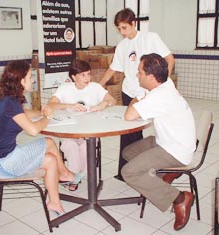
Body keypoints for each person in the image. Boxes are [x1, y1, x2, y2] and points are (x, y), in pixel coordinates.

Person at [0, 60, 82, 216]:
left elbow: (22, 114)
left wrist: (39, 113)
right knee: (49, 142)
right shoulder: (10, 102)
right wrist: (47, 117)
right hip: (2, 164)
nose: (32, 80)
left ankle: (54, 202)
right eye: (30, 77)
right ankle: (65, 175)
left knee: (50, 160)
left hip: (4, 157)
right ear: (21, 81)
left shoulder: (10, 98)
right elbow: (33, 130)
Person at [121, 53, 196, 231]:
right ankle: (160, 180)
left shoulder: (160, 95)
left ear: (151, 76)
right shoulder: (165, 84)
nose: (137, 75)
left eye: (139, 72)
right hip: (169, 140)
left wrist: (137, 99)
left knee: (129, 172)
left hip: (175, 150)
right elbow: (138, 103)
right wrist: (140, 98)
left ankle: (180, 198)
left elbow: (129, 115)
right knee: (128, 153)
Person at [99, 8, 175, 181]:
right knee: (126, 132)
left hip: (147, 93)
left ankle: (135, 171)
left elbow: (169, 59)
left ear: (134, 23)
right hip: (129, 92)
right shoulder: (122, 45)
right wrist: (98, 85)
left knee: (137, 131)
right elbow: (113, 68)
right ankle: (124, 172)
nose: (122, 32)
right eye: (119, 29)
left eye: (124, 28)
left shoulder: (150, 38)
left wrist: (161, 83)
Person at [48, 59, 116, 191]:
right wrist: (70, 106)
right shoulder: (65, 88)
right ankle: (75, 175)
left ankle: (76, 176)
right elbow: (51, 104)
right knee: (69, 145)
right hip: (69, 131)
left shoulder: (95, 87)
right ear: (73, 77)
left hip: (90, 131)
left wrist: (104, 104)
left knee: (87, 147)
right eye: (83, 75)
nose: (87, 78)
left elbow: (111, 100)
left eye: (89, 74)